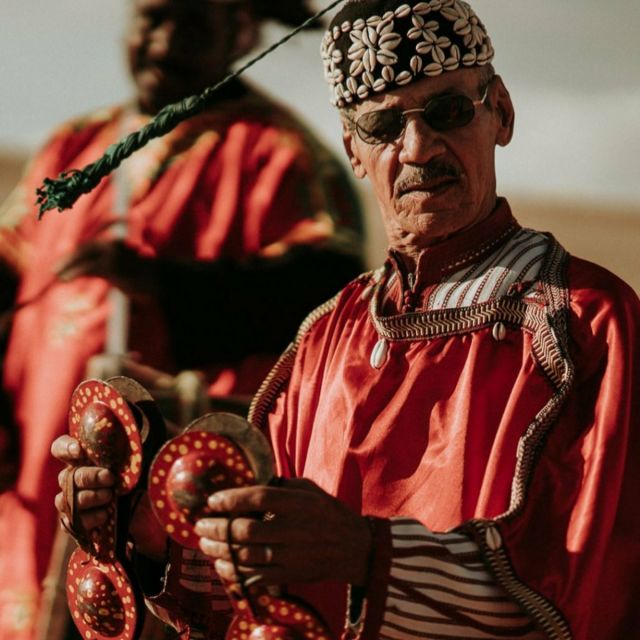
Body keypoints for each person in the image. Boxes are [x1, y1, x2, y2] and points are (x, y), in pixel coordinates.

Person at [53, 0, 640, 638]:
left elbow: (578, 590)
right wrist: (146, 531)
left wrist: (367, 554)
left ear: (500, 111)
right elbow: (257, 592)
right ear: (353, 151)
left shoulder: (582, 322)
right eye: (383, 126)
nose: (417, 148)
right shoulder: (327, 335)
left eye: (446, 111)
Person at [0, 0, 365, 637]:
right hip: (35, 465)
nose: (165, 41)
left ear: (241, 31)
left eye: (192, 23)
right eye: (152, 18)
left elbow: (326, 306)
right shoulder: (74, 146)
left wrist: (164, 289)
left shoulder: (281, 156)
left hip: (168, 509)